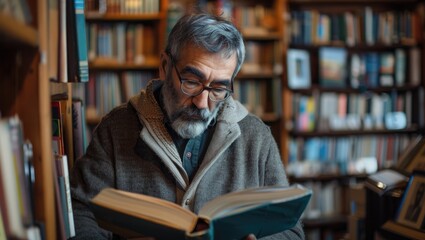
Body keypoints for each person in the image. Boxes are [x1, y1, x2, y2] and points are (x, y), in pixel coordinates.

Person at [70, 12, 305, 240]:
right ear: (165, 66)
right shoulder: (115, 129)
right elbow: (82, 214)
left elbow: (290, 229)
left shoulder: (257, 138)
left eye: (218, 89)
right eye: (191, 82)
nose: (202, 103)